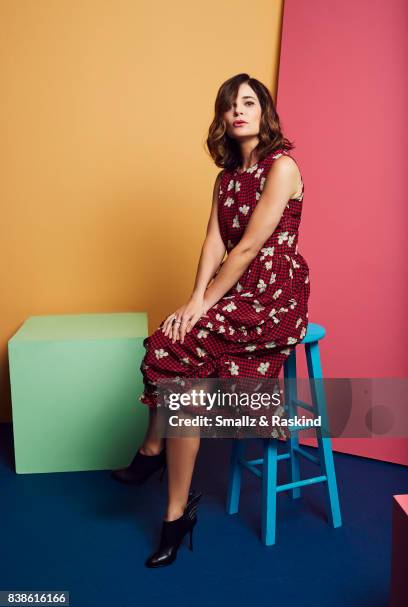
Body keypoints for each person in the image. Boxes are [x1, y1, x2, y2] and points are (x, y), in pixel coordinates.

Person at [111, 73, 310, 568]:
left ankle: (154, 453)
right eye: (229, 105)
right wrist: (194, 298)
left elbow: (247, 247)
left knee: (180, 346)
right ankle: (175, 508)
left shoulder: (281, 167)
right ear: (221, 117)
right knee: (170, 345)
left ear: (264, 111)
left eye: (248, 102)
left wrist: (205, 304)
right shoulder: (225, 178)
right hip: (231, 285)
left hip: (273, 292)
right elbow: (215, 243)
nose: (239, 111)